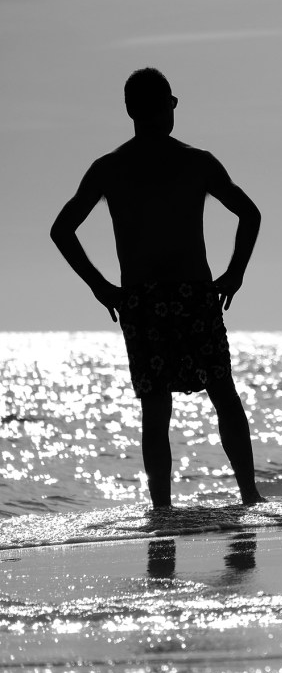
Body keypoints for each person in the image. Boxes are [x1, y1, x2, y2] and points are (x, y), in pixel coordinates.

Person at [50, 68, 264, 508]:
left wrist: (100, 287)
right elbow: (250, 213)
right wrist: (235, 273)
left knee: (158, 408)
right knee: (222, 395)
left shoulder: (110, 168)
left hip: (146, 299)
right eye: (170, 102)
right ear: (166, 106)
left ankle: (163, 510)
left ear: (130, 110)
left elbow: (62, 230)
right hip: (188, 296)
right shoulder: (196, 162)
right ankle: (249, 496)